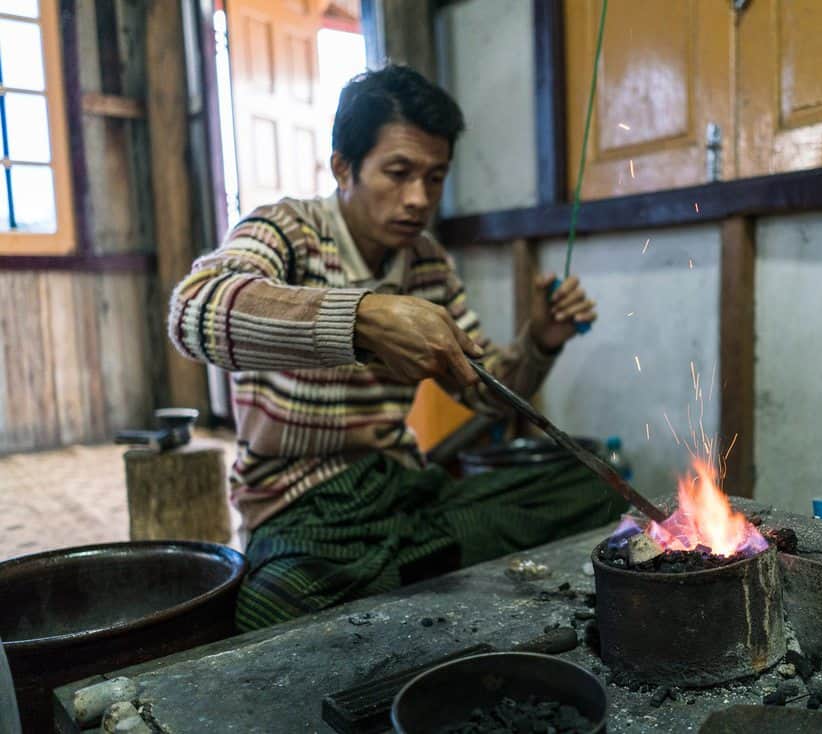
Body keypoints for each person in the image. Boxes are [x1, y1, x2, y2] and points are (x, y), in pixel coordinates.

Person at [168, 65, 626, 631]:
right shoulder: (287, 230)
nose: (418, 199)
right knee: (271, 608)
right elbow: (194, 308)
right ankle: (418, 577)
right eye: (399, 172)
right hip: (300, 509)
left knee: (596, 487)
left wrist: (539, 341)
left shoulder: (426, 262)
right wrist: (362, 317)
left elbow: (485, 392)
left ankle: (402, 576)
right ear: (343, 167)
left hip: (401, 491)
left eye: (435, 178)